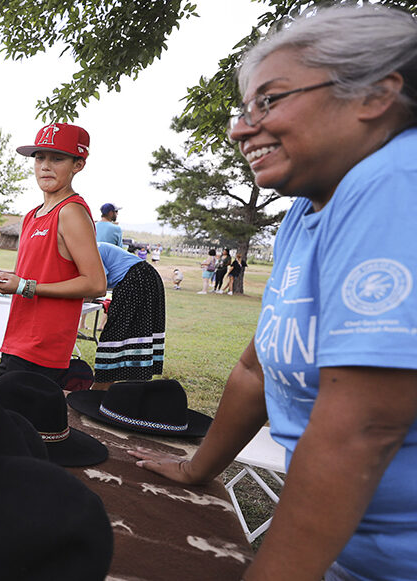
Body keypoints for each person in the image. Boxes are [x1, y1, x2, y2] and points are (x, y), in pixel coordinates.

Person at [129, 6, 417, 580]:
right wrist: (196, 469)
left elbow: (366, 425)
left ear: (376, 96)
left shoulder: (395, 181)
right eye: (243, 109)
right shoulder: (305, 213)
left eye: (270, 100)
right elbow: (258, 370)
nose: (240, 127)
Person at [0, 123, 106, 384]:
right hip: (17, 340)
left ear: (78, 164)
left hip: (44, 350)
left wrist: (26, 286)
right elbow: (32, 276)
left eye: (57, 158)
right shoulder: (31, 215)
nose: (45, 166)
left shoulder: (71, 211)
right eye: (39, 157)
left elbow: (95, 284)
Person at [91, 242, 165, 391]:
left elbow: (97, 286)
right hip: (146, 276)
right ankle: (131, 390)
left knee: (115, 336)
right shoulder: (91, 246)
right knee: (138, 334)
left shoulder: (88, 249)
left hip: (135, 279)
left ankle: (99, 392)